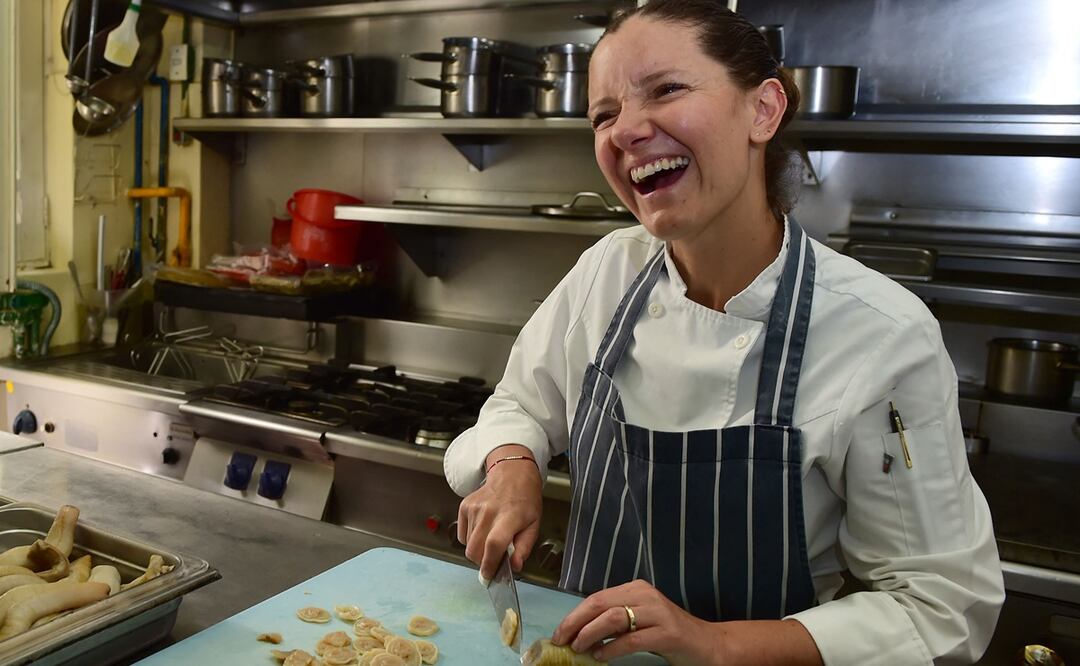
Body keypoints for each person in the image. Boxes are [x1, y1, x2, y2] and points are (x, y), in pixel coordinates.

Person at [444, 1, 1005, 663]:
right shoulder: (607, 272)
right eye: (603, 116)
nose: (626, 131)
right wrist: (512, 467)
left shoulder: (882, 333)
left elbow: (943, 608)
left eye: (667, 90)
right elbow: (520, 406)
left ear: (763, 110)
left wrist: (712, 644)